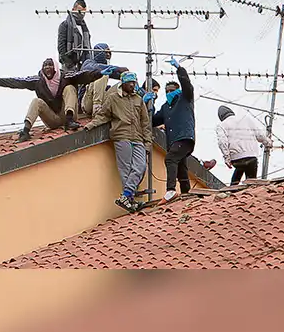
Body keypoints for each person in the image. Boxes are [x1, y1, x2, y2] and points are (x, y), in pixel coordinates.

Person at [0, 57, 107, 142]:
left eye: (50, 65)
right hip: (52, 118)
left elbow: (83, 76)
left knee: (69, 89)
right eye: (45, 66)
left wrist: (99, 73)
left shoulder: (66, 76)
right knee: (36, 101)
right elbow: (16, 82)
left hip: (67, 114)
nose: (47, 68)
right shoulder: (38, 81)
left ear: (55, 67)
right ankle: (26, 130)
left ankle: (69, 120)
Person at [83, 71, 152, 213]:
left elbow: (145, 123)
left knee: (140, 167)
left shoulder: (138, 99)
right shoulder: (113, 98)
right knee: (125, 170)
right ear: (123, 83)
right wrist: (90, 125)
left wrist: (148, 143)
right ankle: (130, 199)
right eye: (130, 83)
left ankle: (125, 196)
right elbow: (103, 116)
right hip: (121, 136)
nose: (132, 85)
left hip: (138, 138)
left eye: (134, 82)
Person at [152, 57, 197, 201]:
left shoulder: (185, 98)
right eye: (167, 91)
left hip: (184, 137)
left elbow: (187, 85)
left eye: (172, 90)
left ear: (177, 90)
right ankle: (186, 193)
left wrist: (179, 69)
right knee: (181, 167)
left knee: (171, 158)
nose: (169, 92)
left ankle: (170, 190)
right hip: (174, 141)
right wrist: (149, 104)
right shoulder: (165, 107)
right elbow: (153, 120)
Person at [215, 105, 276, 185]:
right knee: (251, 183)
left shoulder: (221, 125)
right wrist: (268, 143)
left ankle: (231, 189)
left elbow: (222, 142)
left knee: (239, 170)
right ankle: (250, 190)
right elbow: (260, 135)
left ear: (221, 117)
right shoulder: (246, 119)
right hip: (251, 156)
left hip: (236, 159)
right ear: (231, 112)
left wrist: (227, 158)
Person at [78, 43, 130, 117]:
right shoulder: (88, 62)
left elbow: (119, 76)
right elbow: (93, 68)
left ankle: (124, 108)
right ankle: (96, 107)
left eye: (109, 53)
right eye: (106, 52)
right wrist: (117, 68)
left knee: (124, 83)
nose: (108, 55)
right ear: (99, 53)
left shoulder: (106, 68)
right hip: (87, 103)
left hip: (102, 103)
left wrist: (129, 77)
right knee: (102, 73)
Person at [57, 0, 91, 72]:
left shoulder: (84, 27)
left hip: (82, 63)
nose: (82, 14)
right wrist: (67, 62)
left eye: (83, 12)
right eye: (79, 11)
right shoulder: (65, 25)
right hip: (69, 63)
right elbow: (61, 45)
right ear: (73, 9)